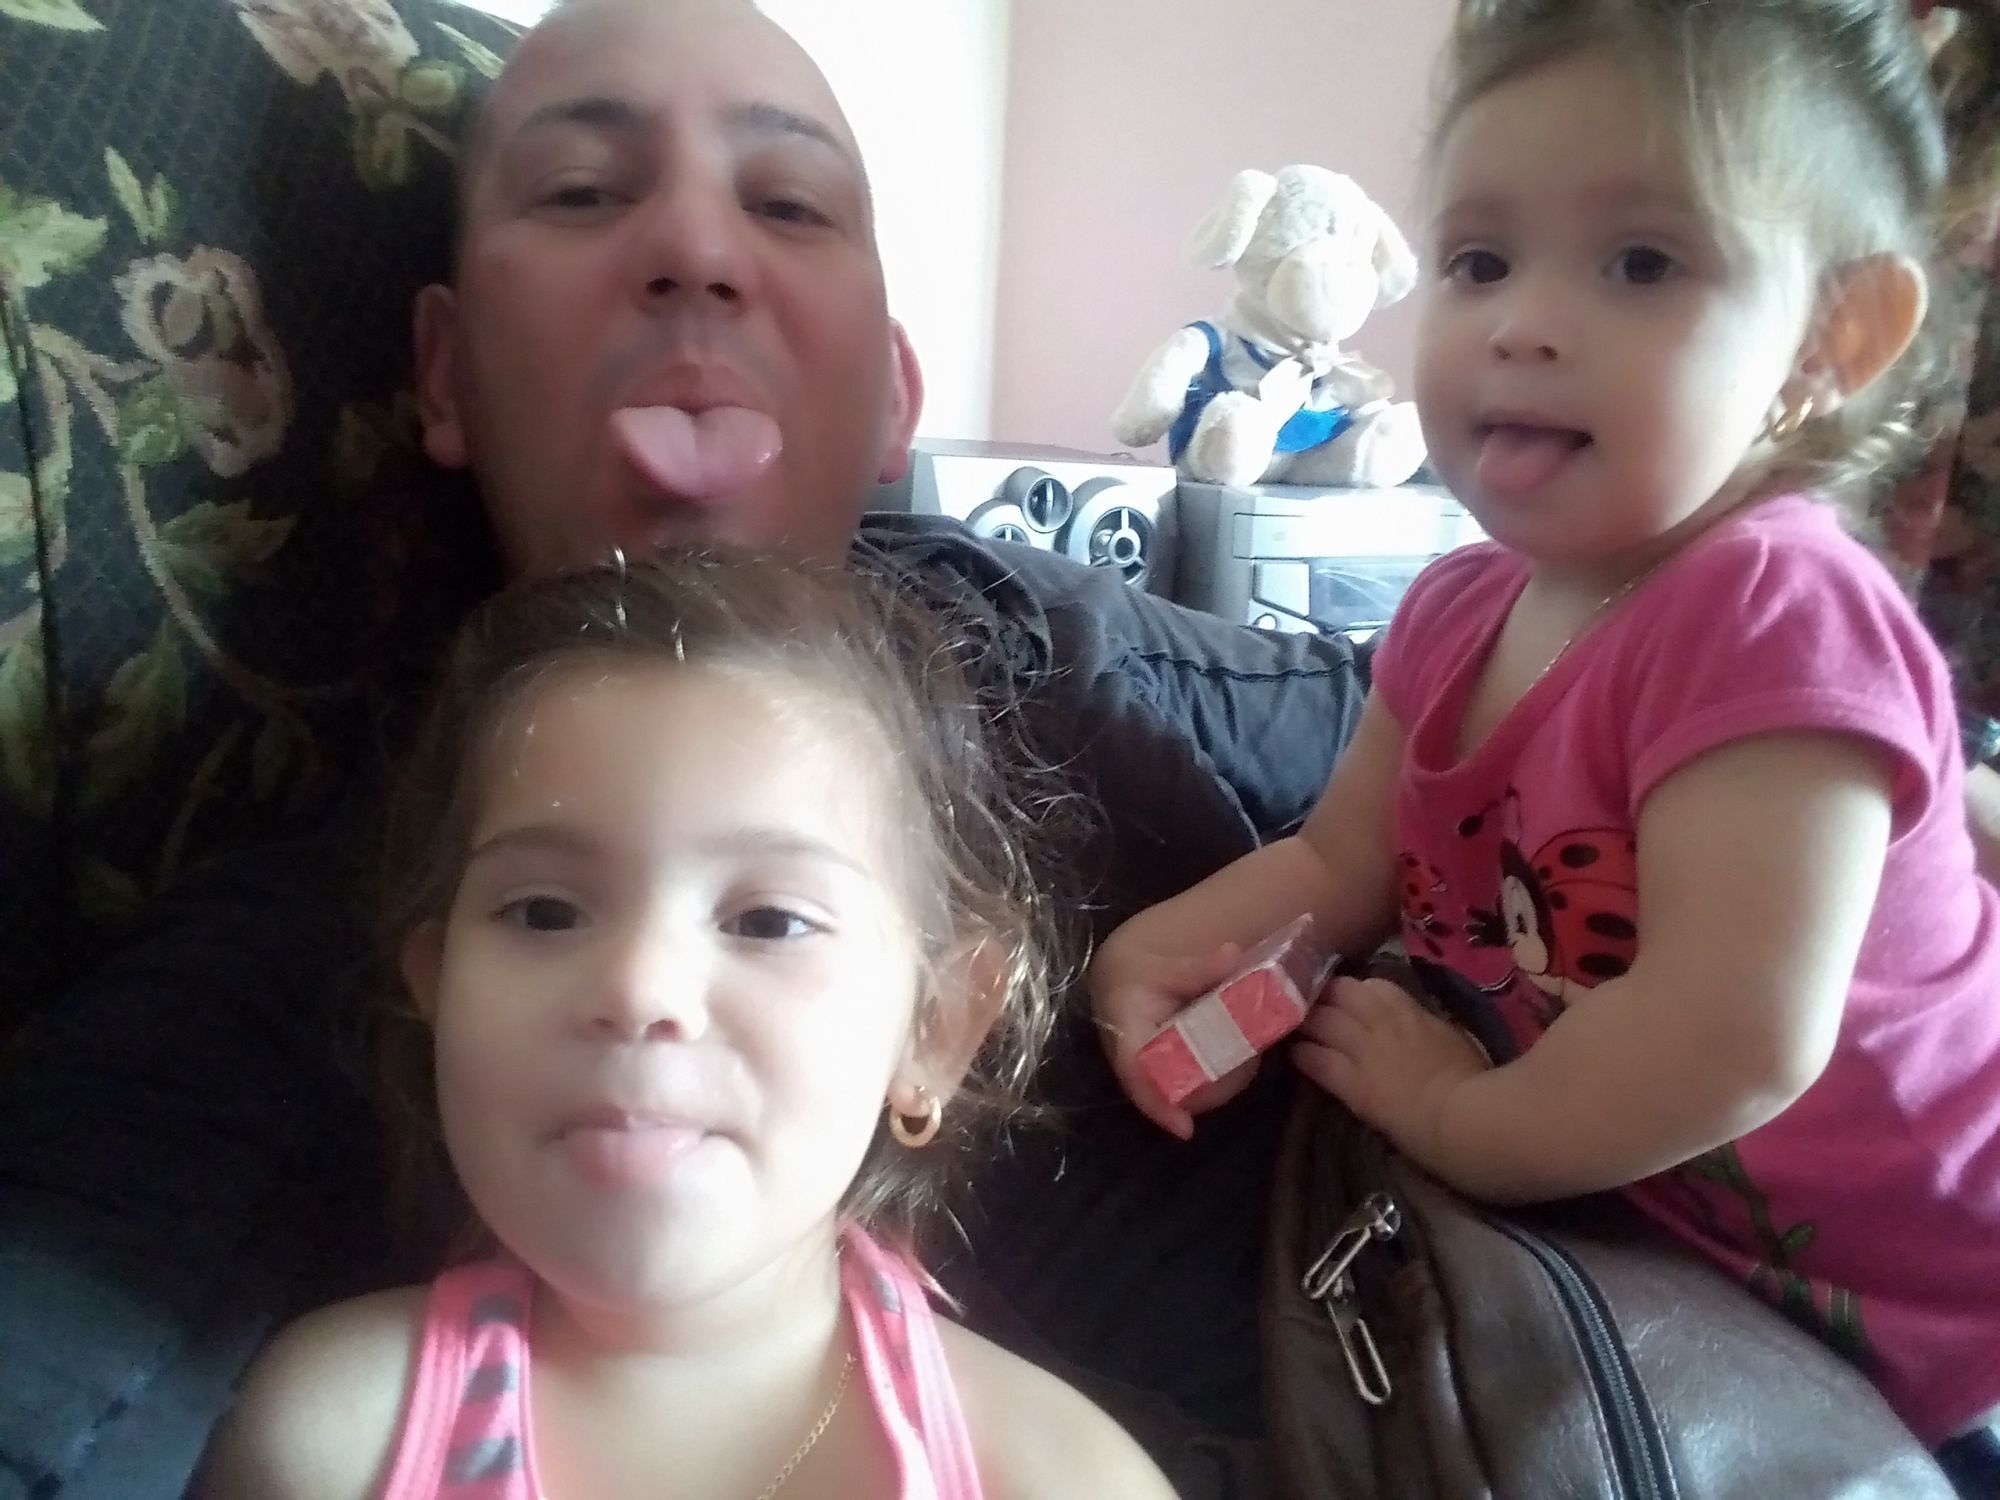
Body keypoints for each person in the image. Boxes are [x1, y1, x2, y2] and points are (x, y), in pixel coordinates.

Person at [0, 1, 1361, 1495]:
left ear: (893, 396)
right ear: (442, 375)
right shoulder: (288, 976)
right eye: (584, 192)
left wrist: (1351, 886)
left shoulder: (1069, 642)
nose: (697, 253)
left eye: (787, 205)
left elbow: (1471, 732)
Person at [1091, 0, 2000, 1491]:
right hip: (1675, 1263)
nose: (1521, 321)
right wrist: (1157, 950)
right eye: (1480, 260)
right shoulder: (1455, 609)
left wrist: (1455, 1113)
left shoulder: (1773, 610)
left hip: (1937, 1299)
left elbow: (1732, 1038)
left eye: (1640, 262)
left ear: (1826, 341)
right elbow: (1340, 861)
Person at [193, 547, 1179, 1499]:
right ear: (437, 986)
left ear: (937, 1028)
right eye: (544, 912)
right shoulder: (330, 1444)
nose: (638, 988)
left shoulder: (1061, 1480)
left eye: (768, 921)